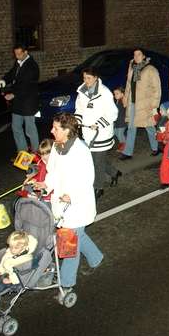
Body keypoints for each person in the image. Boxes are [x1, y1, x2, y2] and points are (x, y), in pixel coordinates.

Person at [33, 113, 103, 293]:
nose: (51, 130)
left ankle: (66, 283)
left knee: (69, 244)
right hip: (61, 204)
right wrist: (46, 184)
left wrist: (72, 195)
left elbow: (87, 179)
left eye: (55, 128)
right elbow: (53, 172)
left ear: (66, 130)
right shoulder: (57, 146)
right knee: (76, 235)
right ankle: (96, 258)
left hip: (77, 205)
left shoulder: (81, 151)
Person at [74, 67, 120, 199]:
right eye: (84, 78)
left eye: (88, 78)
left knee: (97, 162)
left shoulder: (105, 93)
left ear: (95, 78)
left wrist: (98, 124)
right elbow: (79, 109)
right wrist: (77, 121)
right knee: (94, 160)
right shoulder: (82, 92)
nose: (86, 81)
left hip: (101, 133)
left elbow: (113, 113)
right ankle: (114, 173)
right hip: (88, 133)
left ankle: (98, 187)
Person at [121, 48, 162, 160]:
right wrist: (125, 97)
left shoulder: (150, 70)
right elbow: (129, 84)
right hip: (133, 103)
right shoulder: (133, 69)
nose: (136, 57)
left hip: (145, 104)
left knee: (149, 126)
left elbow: (157, 88)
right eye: (134, 55)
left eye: (139, 54)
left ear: (144, 56)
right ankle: (127, 152)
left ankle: (156, 147)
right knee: (131, 127)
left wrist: (154, 104)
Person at [2, 44, 40, 153]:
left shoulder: (32, 66)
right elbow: (12, 73)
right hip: (18, 103)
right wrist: (4, 80)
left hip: (28, 103)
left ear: (26, 52)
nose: (17, 56)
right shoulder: (18, 63)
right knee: (16, 127)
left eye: (19, 54)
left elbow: (27, 85)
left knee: (30, 130)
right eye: (16, 54)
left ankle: (35, 152)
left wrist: (13, 94)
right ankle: (22, 151)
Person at [18, 138, 53, 204]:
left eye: (46, 158)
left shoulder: (53, 167)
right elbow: (39, 170)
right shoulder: (42, 161)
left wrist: (34, 180)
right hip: (40, 186)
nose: (43, 159)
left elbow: (48, 182)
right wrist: (32, 179)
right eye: (41, 155)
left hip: (48, 194)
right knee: (26, 188)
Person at [113, 87, 127, 152]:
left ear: (122, 94)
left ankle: (124, 145)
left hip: (122, 121)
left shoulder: (123, 100)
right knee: (115, 132)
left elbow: (126, 106)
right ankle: (123, 142)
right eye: (114, 94)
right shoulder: (117, 101)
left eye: (117, 93)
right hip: (117, 121)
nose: (115, 95)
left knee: (120, 134)